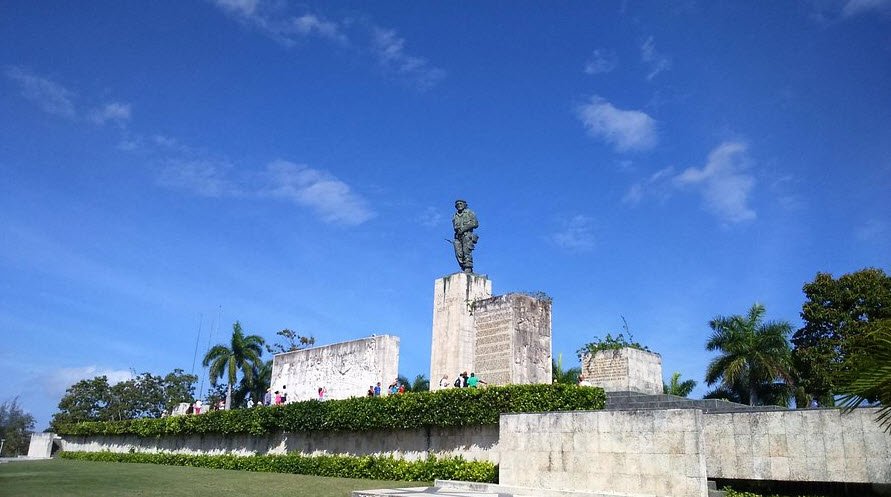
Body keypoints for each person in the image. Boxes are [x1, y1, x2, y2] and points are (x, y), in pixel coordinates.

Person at [452, 199, 479, 273]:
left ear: (465, 205)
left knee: (466, 251)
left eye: (461, 203)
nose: (459, 205)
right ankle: (463, 266)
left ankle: (468, 267)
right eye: (457, 204)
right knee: (458, 253)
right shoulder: (455, 216)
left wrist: (464, 229)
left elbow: (475, 223)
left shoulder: (469, 212)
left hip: (467, 235)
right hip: (458, 236)